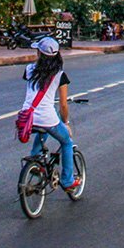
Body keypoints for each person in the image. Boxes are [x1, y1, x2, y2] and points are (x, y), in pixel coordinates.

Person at [22, 36, 80, 191]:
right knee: (66, 142)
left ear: (39, 54)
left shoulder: (29, 70)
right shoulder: (60, 75)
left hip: (27, 117)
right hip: (46, 119)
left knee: (44, 126)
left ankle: (35, 159)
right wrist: (66, 123)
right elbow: (63, 105)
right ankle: (68, 181)